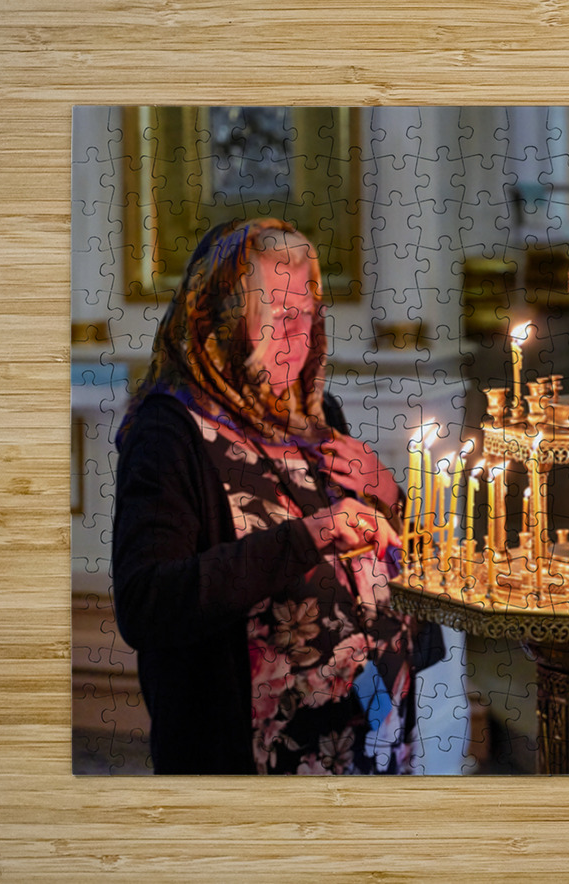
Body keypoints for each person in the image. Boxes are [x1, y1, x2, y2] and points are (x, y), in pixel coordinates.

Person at [112, 218, 436, 774]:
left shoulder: (314, 413)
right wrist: (310, 535)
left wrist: (388, 495)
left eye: (307, 314)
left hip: (368, 737)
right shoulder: (169, 433)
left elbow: (385, 551)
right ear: (225, 320)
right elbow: (147, 605)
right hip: (250, 760)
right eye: (280, 316)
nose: (299, 335)